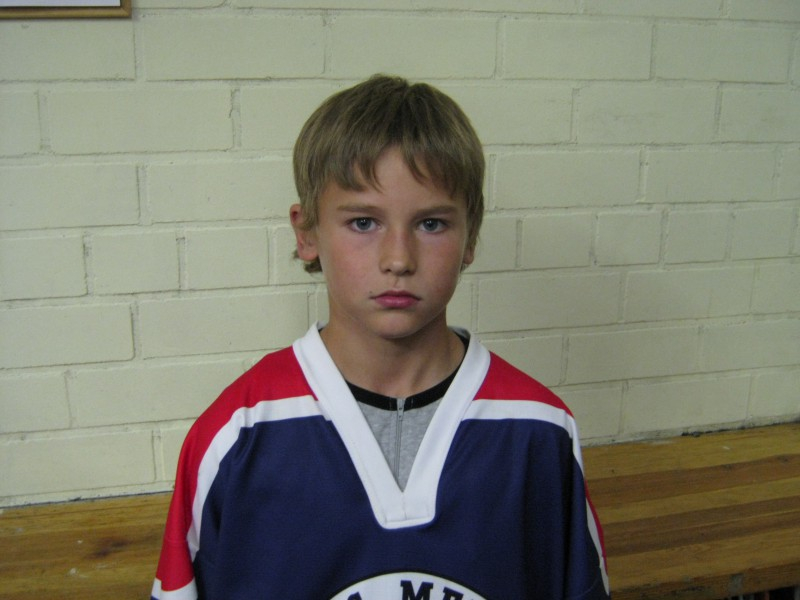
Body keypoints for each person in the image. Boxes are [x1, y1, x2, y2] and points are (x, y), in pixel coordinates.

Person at [151, 74, 609, 600]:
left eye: (431, 224)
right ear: (307, 232)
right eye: (364, 222)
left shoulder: (540, 430)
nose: (398, 259)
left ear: (472, 235)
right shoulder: (236, 435)